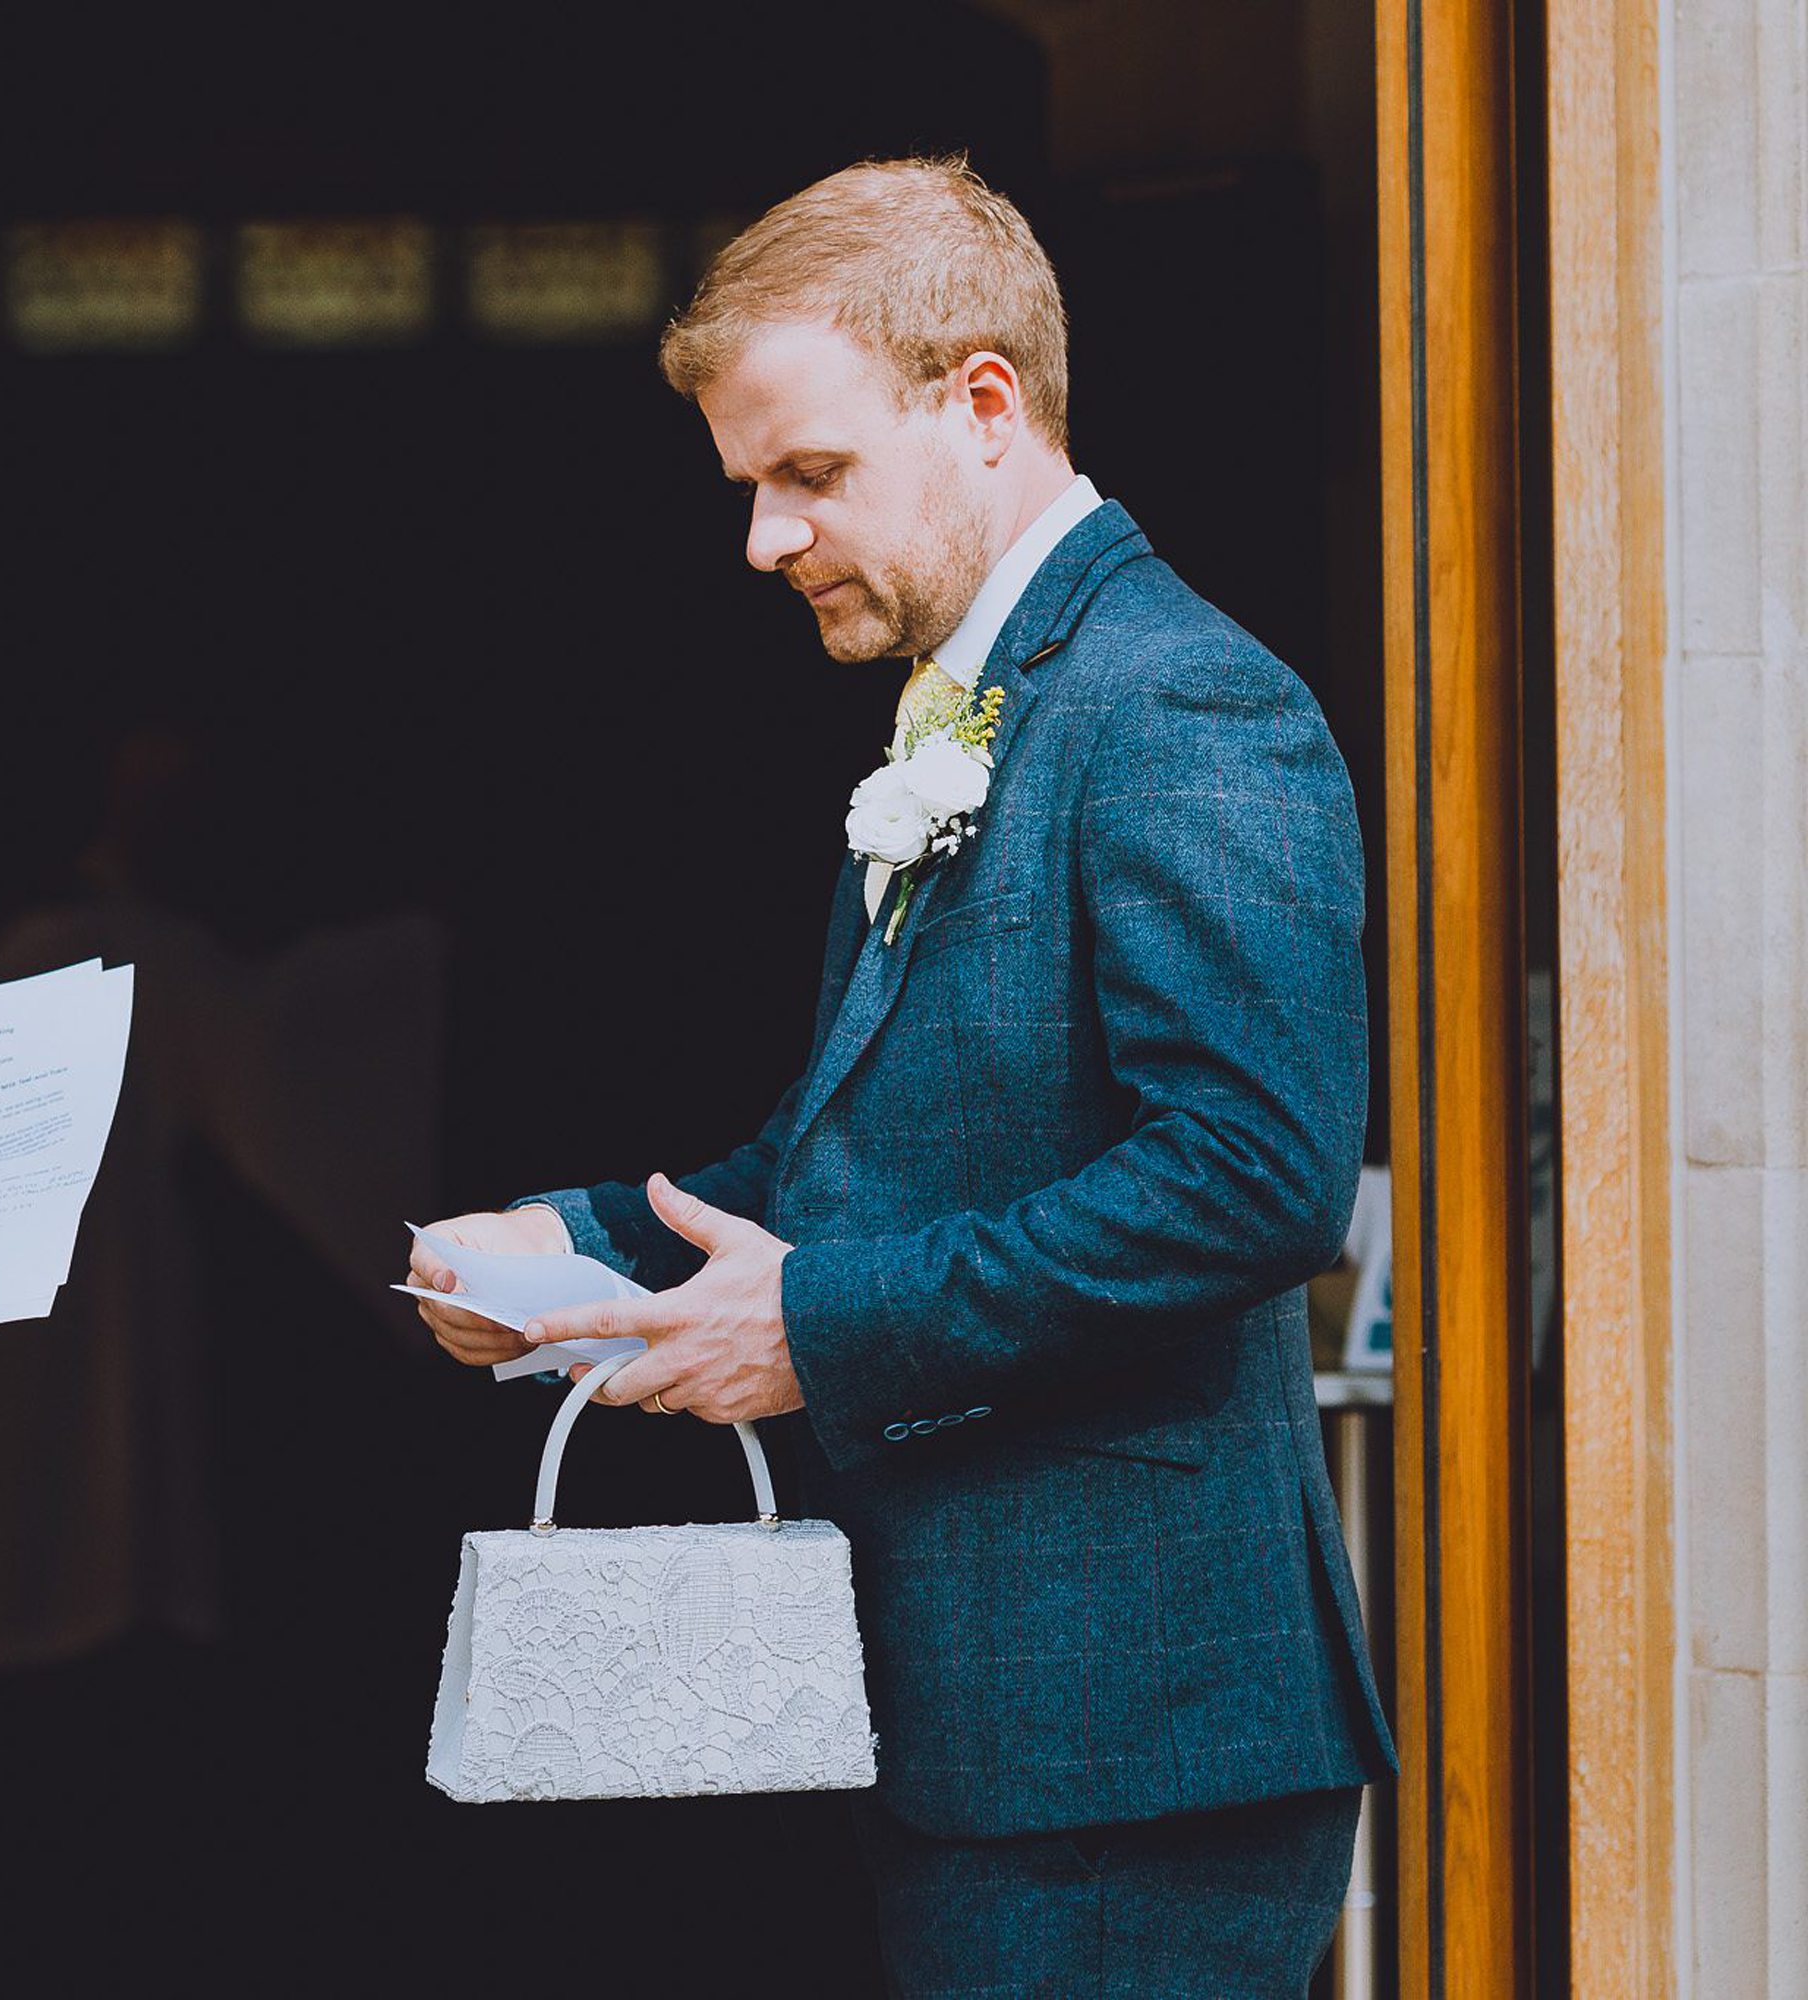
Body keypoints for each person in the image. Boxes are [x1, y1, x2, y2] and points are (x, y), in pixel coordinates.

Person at [408, 156, 1394, 1994]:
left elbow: (1258, 1173)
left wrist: (824, 1331)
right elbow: (861, 1155)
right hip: (991, 1716)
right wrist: (568, 1254)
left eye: (812, 473)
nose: (765, 541)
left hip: (1128, 1735)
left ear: (986, 402)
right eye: (751, 487)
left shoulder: (1176, 697)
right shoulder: (979, 703)